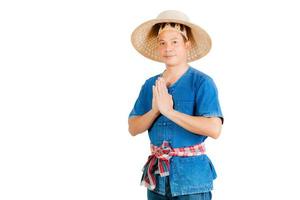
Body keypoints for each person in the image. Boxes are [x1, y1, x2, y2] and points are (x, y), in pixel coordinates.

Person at [128, 10, 224, 200]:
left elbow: (214, 129)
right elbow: (133, 127)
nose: (168, 48)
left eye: (174, 42)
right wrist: (155, 110)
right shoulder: (150, 85)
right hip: (157, 181)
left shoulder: (202, 82)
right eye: (162, 43)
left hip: (192, 183)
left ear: (186, 45)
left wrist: (169, 112)